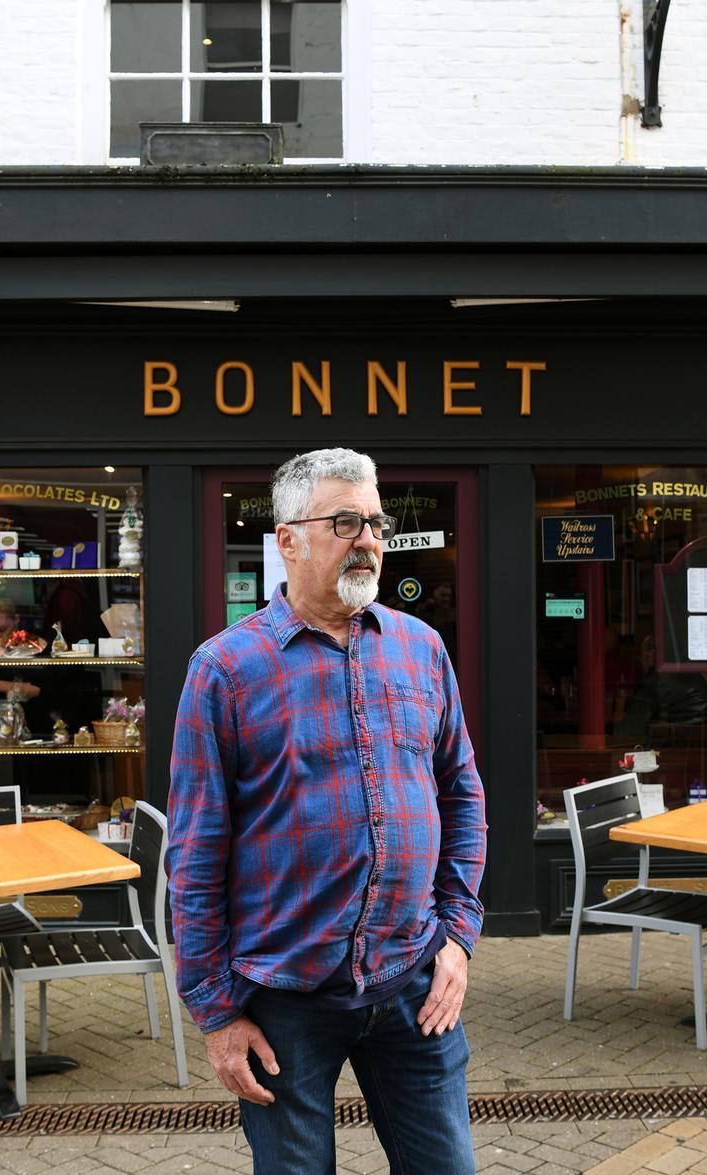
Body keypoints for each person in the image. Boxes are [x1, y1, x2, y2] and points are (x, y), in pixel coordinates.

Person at [167, 447, 487, 1173]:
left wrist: (458, 936)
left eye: (376, 521)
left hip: (412, 978)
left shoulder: (421, 648)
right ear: (287, 539)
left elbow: (461, 794)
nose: (368, 537)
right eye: (346, 521)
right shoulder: (224, 668)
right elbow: (193, 851)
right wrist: (216, 1012)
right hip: (285, 996)